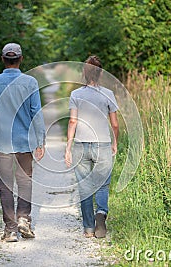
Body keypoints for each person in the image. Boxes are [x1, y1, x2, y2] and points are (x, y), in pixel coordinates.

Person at [0, 43, 46, 242]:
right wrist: (40, 141)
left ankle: (10, 230)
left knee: (5, 185)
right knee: (25, 181)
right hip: (24, 142)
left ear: (3, 59)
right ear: (20, 59)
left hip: (0, 142)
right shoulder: (30, 82)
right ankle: (24, 219)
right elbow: (37, 114)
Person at [65, 55, 119, 238]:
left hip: (81, 144)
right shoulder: (108, 94)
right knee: (103, 185)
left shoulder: (76, 94)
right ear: (101, 73)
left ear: (84, 73)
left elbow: (72, 121)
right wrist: (115, 142)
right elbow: (115, 124)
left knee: (84, 186)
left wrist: (68, 148)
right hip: (102, 143)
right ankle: (101, 214)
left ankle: (88, 228)